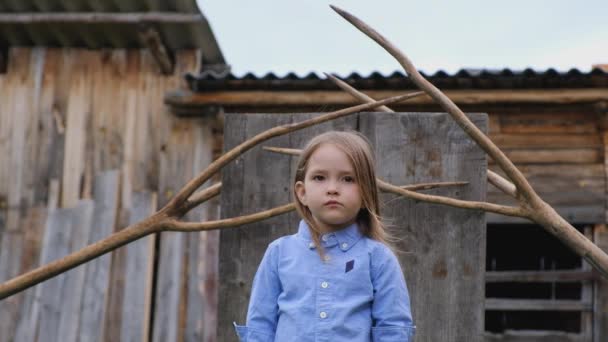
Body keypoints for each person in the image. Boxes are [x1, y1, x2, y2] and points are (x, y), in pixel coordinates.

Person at [233, 131, 416, 341]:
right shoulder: (279, 253)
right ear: (302, 192)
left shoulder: (379, 259)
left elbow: (393, 330)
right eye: (319, 177)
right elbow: (260, 328)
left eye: (348, 179)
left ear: (366, 193)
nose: (332, 189)